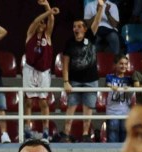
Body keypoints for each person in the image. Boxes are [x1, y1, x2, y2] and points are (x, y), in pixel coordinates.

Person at [62, 2, 106, 142]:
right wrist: (66, 81)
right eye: (74, 26)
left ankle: (86, 134)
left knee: (88, 110)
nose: (76, 28)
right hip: (74, 81)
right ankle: (66, 134)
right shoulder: (69, 43)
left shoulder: (90, 37)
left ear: (85, 29)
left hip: (91, 80)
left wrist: (101, 8)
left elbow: (97, 21)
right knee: (71, 107)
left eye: (79, 26)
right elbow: (65, 63)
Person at [23, 0, 58, 141]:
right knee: (29, 101)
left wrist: (47, 5)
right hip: (30, 69)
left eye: (43, 23)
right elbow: (35, 21)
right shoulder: (30, 34)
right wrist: (47, 11)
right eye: (40, 22)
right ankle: (27, 130)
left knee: (43, 102)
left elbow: (51, 20)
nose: (41, 24)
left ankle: (45, 132)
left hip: (44, 71)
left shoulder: (47, 36)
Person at [105, 54, 134, 141]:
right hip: (112, 112)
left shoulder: (129, 79)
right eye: (121, 63)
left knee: (125, 138)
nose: (123, 66)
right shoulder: (109, 77)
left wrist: (129, 88)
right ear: (115, 65)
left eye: (126, 64)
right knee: (112, 138)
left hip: (125, 112)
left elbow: (133, 91)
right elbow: (107, 84)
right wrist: (111, 86)